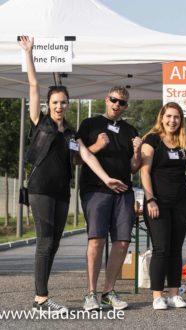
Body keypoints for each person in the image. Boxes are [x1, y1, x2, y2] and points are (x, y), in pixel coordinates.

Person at [18, 36, 127, 315]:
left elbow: (87, 156)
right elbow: (33, 85)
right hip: (40, 190)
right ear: (48, 104)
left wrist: (106, 179)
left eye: (63, 102)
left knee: (53, 243)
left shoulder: (69, 132)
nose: (59, 106)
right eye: (55, 102)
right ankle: (41, 299)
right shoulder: (39, 122)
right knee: (44, 242)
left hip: (61, 193)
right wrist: (28, 53)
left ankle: (42, 297)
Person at [140, 65, 186, 310]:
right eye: (168, 116)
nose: (172, 120)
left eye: (176, 117)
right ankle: (157, 296)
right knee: (160, 248)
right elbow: (144, 171)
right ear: (162, 118)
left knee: (175, 249)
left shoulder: (181, 141)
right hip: (157, 202)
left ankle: (173, 293)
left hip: (181, 202)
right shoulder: (152, 140)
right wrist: (150, 199)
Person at [77, 85, 143, 311]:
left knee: (123, 242)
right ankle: (90, 293)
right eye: (114, 100)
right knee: (96, 240)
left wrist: (136, 152)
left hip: (123, 191)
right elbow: (76, 159)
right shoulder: (89, 124)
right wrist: (97, 145)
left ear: (126, 105)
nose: (117, 105)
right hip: (95, 189)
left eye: (122, 102)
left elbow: (134, 168)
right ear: (106, 100)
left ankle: (108, 291)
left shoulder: (130, 130)